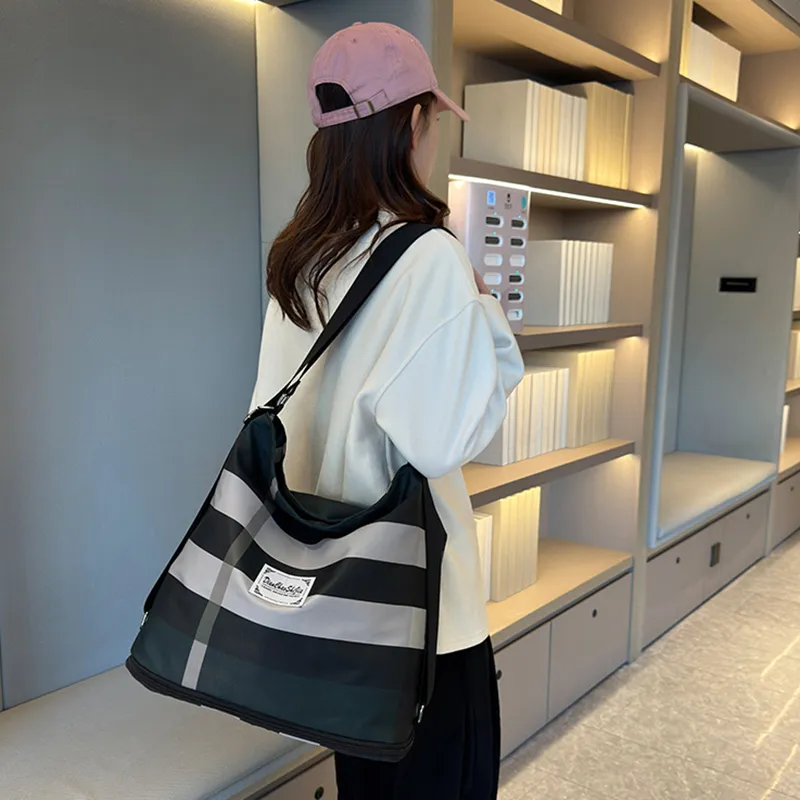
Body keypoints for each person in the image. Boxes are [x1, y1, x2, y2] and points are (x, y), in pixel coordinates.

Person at [250, 21, 524, 800]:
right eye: (431, 120)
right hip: (422, 616)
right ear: (411, 124)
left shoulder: (301, 257)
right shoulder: (428, 255)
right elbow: (446, 441)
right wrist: (485, 311)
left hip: (334, 600)